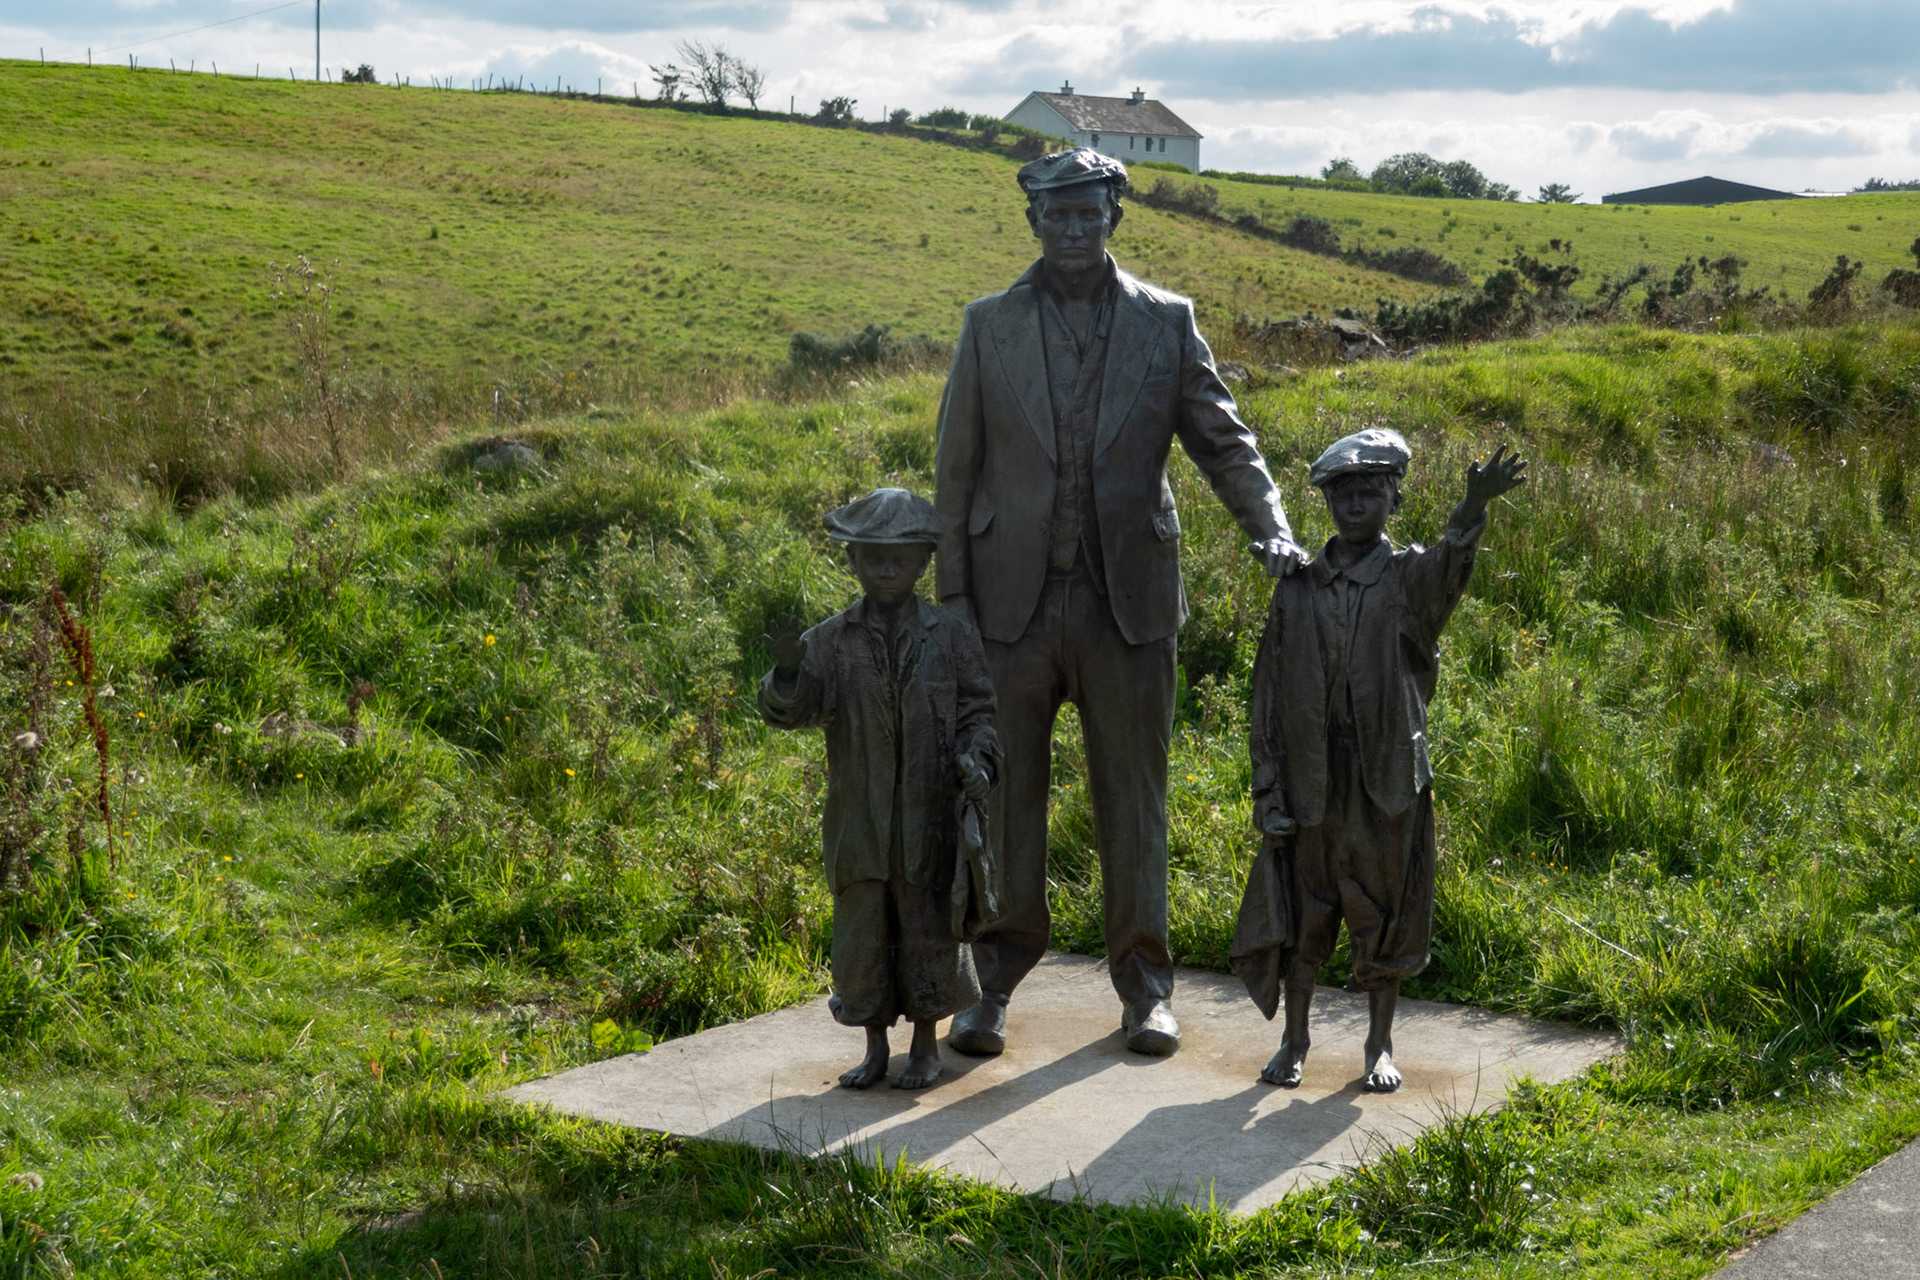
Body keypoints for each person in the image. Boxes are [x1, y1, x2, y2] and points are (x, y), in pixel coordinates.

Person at [934, 147, 1306, 1058]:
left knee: (1133, 803)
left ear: (1113, 217)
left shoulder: (1166, 323)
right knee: (1005, 798)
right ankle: (994, 984)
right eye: (1055, 215)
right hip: (1008, 605)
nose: (1071, 229)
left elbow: (1226, 440)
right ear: (1032, 221)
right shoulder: (988, 326)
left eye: (1087, 213)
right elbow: (955, 470)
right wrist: (950, 602)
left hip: (1128, 606)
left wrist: (1272, 526)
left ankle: (1146, 988)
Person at [1231, 429, 1526, 1091]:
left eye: (1371, 491)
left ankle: (1378, 1045)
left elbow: (1452, 563)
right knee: (1306, 913)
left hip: (1385, 780)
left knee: (1386, 912)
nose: (1356, 504)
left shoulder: (1406, 579)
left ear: (1395, 497)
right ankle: (1296, 1039)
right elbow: (1267, 694)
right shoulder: (1299, 587)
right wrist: (1265, 784)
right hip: (1312, 781)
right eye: (1343, 493)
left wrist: (1472, 508)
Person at [760, 487, 1001, 1090]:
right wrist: (788, 676)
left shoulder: (951, 634)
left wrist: (977, 758)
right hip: (860, 821)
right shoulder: (832, 641)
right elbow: (793, 710)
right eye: (873, 558)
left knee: (926, 928)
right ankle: (875, 1047)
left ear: (923, 561)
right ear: (854, 561)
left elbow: (980, 712)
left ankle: (924, 1045)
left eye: (900, 558)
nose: (886, 569)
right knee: (865, 932)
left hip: (929, 817)